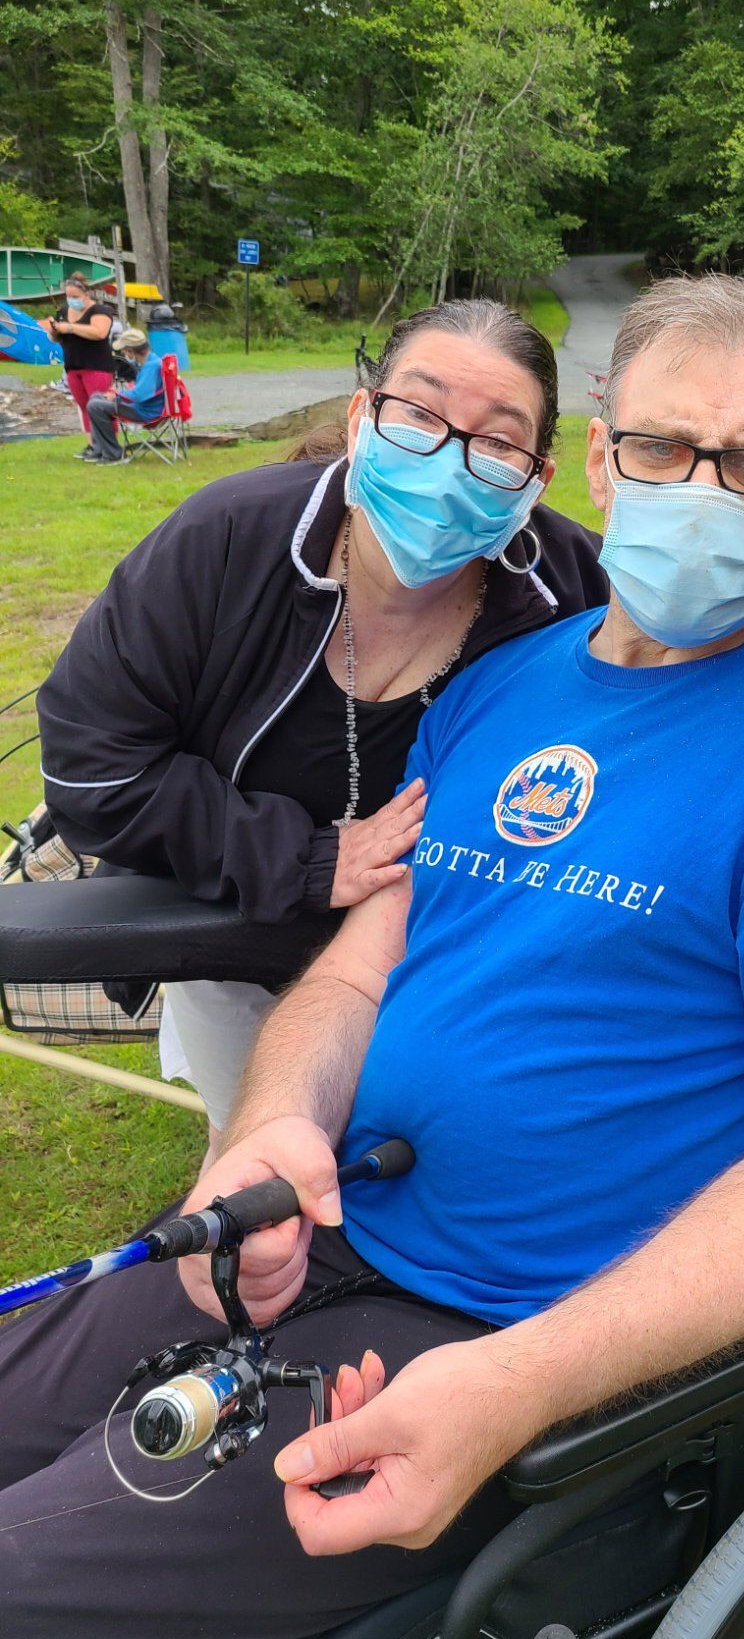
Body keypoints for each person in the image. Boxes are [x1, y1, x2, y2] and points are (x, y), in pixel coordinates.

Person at [0, 275, 744, 1639]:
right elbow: (361, 966)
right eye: (657, 449)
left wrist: (514, 1387)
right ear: (597, 466)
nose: (696, 490)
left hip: (496, 1328)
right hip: (309, 1240)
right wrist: (268, 1126)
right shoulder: (496, 688)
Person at [38, 299, 609, 1154]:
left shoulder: (571, 589)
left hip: (452, 950)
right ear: (360, 418)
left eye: (496, 441)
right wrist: (304, 859)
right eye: (417, 413)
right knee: (266, 1164)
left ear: (536, 479)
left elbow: (692, 664)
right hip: (238, 930)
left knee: (423, 1168)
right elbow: (93, 769)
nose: (448, 458)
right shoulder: (223, 539)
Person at [37, 269, 115, 456]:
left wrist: (70, 327)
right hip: (73, 368)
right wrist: (55, 330)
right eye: (68, 296)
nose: (71, 299)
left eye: (75, 296)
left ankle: (109, 447)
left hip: (97, 367)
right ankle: (92, 446)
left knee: (99, 407)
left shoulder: (100, 311)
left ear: (86, 294)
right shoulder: (63, 311)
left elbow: (99, 332)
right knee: (84, 407)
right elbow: (54, 338)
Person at [80, 323, 164, 463]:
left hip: (145, 412)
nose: (124, 354)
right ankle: (99, 450)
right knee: (96, 397)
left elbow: (140, 395)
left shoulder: (151, 366)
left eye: (125, 350)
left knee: (95, 406)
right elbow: (142, 391)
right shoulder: (152, 360)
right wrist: (118, 395)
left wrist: (117, 396)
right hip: (144, 407)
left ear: (131, 351)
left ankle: (113, 454)